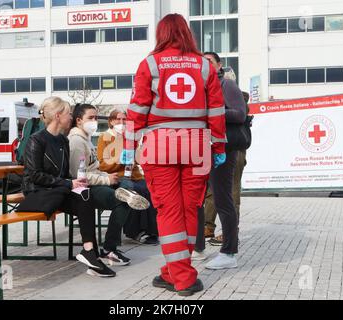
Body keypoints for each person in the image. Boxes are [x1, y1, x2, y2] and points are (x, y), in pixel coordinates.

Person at [122, 14, 227, 296]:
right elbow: (216, 111)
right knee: (189, 209)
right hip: (198, 146)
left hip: (161, 145)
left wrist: (128, 148)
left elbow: (138, 109)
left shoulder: (150, 64)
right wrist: (219, 147)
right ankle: (172, 271)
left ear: (161, 33)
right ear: (187, 33)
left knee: (169, 211)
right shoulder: (204, 65)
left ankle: (182, 278)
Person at [19, 96, 115, 277]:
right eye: (68, 113)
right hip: (39, 193)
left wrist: (75, 183)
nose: (71, 117)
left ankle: (89, 252)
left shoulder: (62, 140)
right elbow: (34, 175)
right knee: (83, 195)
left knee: (85, 195)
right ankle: (92, 255)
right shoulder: (36, 140)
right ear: (57, 116)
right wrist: (68, 183)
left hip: (58, 190)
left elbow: (64, 173)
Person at [68, 103, 150, 267]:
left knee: (128, 189)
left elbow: (94, 168)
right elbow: (79, 175)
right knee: (123, 199)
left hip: (97, 181)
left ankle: (126, 237)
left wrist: (107, 176)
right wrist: (107, 179)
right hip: (83, 189)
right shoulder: (76, 142)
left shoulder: (87, 140)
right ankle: (109, 249)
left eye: (96, 117)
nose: (94, 121)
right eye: (90, 118)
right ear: (78, 120)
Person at [194, 52, 246, 270]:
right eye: (201, 62)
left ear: (219, 65)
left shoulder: (227, 85)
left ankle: (229, 252)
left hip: (223, 148)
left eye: (210, 62)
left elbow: (240, 114)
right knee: (196, 198)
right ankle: (197, 248)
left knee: (222, 198)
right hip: (200, 147)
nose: (205, 65)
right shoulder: (198, 88)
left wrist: (213, 112)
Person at [97, 109, 159, 245]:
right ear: (111, 121)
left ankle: (152, 231)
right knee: (132, 190)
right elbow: (102, 164)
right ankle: (135, 231)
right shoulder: (104, 137)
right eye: (118, 119)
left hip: (133, 174)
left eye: (124, 120)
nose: (121, 122)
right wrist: (119, 160)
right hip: (116, 176)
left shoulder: (130, 137)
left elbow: (137, 160)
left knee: (149, 188)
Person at [203, 90, 250, 247]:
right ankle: (208, 226)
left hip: (234, 150)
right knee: (211, 190)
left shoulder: (238, 98)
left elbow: (240, 113)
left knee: (232, 191)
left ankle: (230, 232)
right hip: (215, 148)